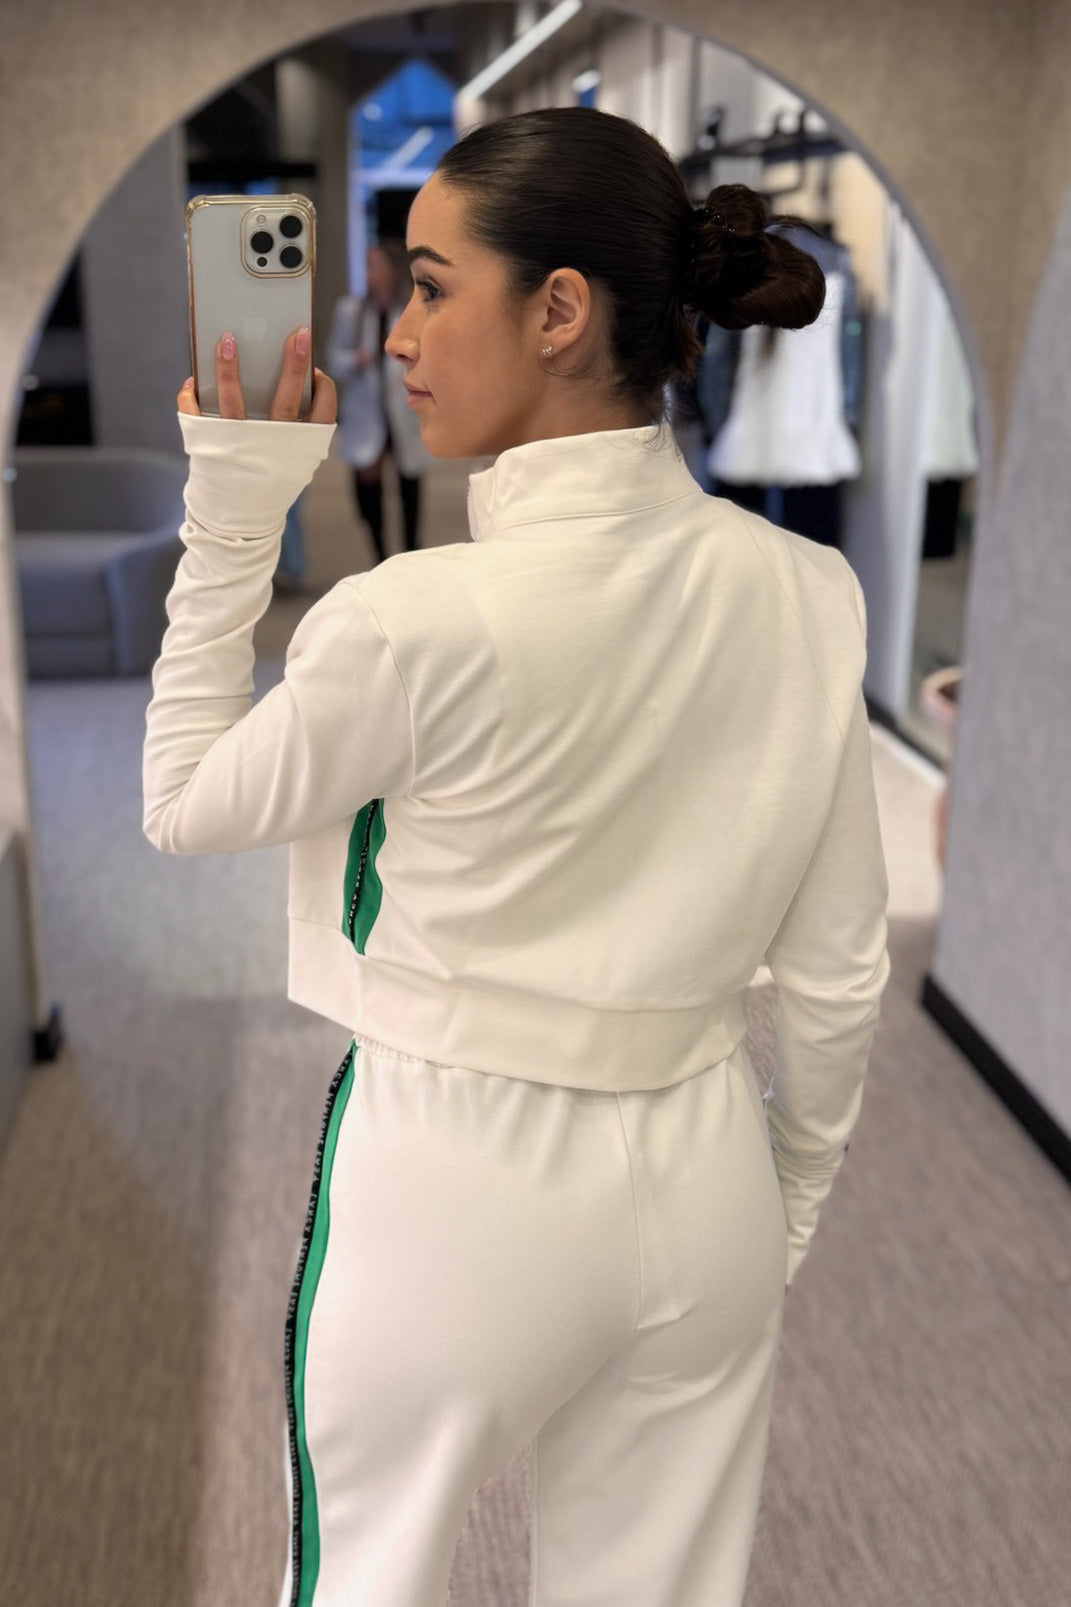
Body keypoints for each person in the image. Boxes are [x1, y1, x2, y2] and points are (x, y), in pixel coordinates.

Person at [144, 106, 890, 1607]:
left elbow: (185, 800)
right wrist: (783, 1205)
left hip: (453, 1191)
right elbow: (837, 971)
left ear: (559, 310)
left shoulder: (402, 621)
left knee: (359, 1583)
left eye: (430, 286)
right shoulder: (813, 591)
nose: (396, 333)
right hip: (708, 1182)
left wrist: (230, 510)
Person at [327, 239, 432, 563]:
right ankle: (380, 557)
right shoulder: (351, 310)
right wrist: (356, 360)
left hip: (403, 409)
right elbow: (334, 360)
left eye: (375, 265)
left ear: (393, 270)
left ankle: (411, 554)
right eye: (368, 266)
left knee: (409, 483)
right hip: (367, 411)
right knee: (367, 492)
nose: (370, 273)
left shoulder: (412, 310)